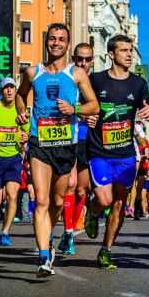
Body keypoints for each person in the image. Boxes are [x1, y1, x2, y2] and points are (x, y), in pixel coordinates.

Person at [16, 23, 99, 277]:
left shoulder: (77, 74)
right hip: (39, 142)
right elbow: (21, 95)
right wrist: (21, 111)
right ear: (46, 41)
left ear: (67, 44)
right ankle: (43, 256)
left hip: (66, 144)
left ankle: (48, 239)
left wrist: (74, 109)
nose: (56, 43)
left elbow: (94, 105)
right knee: (40, 200)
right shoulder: (32, 73)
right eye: (52, 38)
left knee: (57, 201)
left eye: (61, 39)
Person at [84, 34, 149, 270]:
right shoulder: (95, 80)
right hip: (99, 151)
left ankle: (106, 250)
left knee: (119, 204)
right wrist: (86, 115)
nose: (129, 54)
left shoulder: (138, 84)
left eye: (130, 49)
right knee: (104, 199)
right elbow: (81, 106)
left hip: (125, 154)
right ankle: (93, 211)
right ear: (111, 54)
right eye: (124, 50)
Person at [58, 43, 95, 255]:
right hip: (69, 138)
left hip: (90, 142)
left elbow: (102, 109)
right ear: (74, 58)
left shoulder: (96, 82)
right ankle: (69, 232)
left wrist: (95, 118)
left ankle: (72, 226)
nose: (82, 63)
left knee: (83, 189)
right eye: (79, 59)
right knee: (70, 185)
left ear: (92, 60)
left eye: (87, 59)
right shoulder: (67, 80)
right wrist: (80, 113)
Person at [0, 78, 29, 244]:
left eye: (12, 88)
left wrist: (25, 137)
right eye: (6, 88)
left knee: (13, 195)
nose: (9, 91)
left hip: (13, 159)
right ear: (1, 91)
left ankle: (5, 232)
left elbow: (26, 132)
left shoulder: (20, 108)